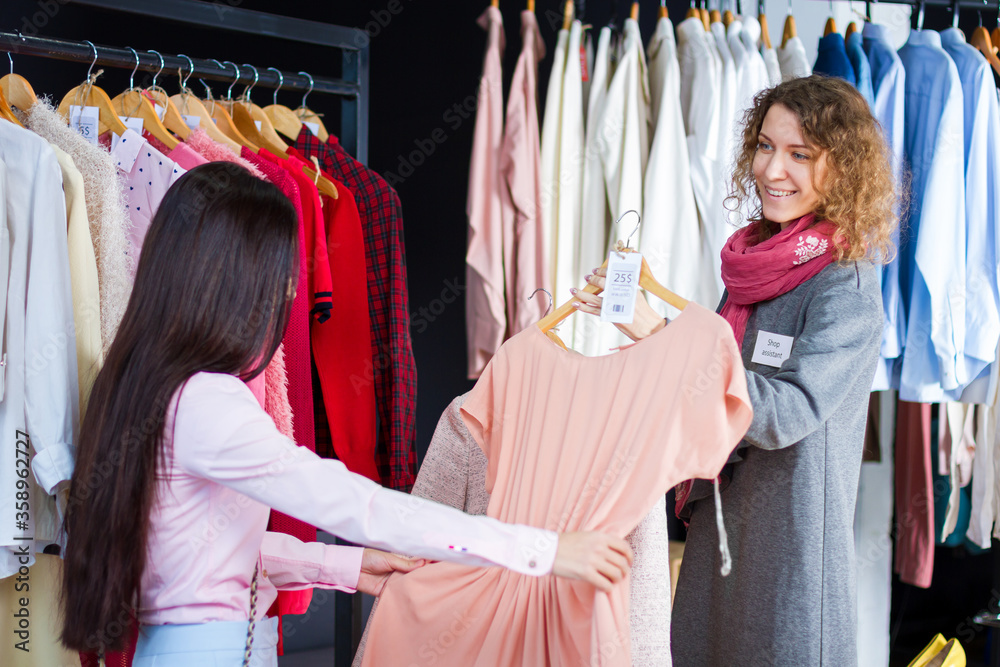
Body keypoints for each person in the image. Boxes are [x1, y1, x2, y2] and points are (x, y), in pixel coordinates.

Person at [60, 163, 633, 665]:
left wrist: (345, 567)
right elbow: (353, 502)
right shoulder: (209, 400)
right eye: (282, 273)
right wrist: (544, 550)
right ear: (234, 279)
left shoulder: (145, 382)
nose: (289, 291)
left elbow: (203, 551)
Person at [571, 75, 896, 665]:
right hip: (721, 535)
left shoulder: (845, 285)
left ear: (843, 169)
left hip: (787, 556)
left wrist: (660, 334)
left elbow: (782, 414)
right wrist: (654, 307)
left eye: (800, 154)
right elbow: (720, 375)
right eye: (766, 146)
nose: (773, 170)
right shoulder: (752, 269)